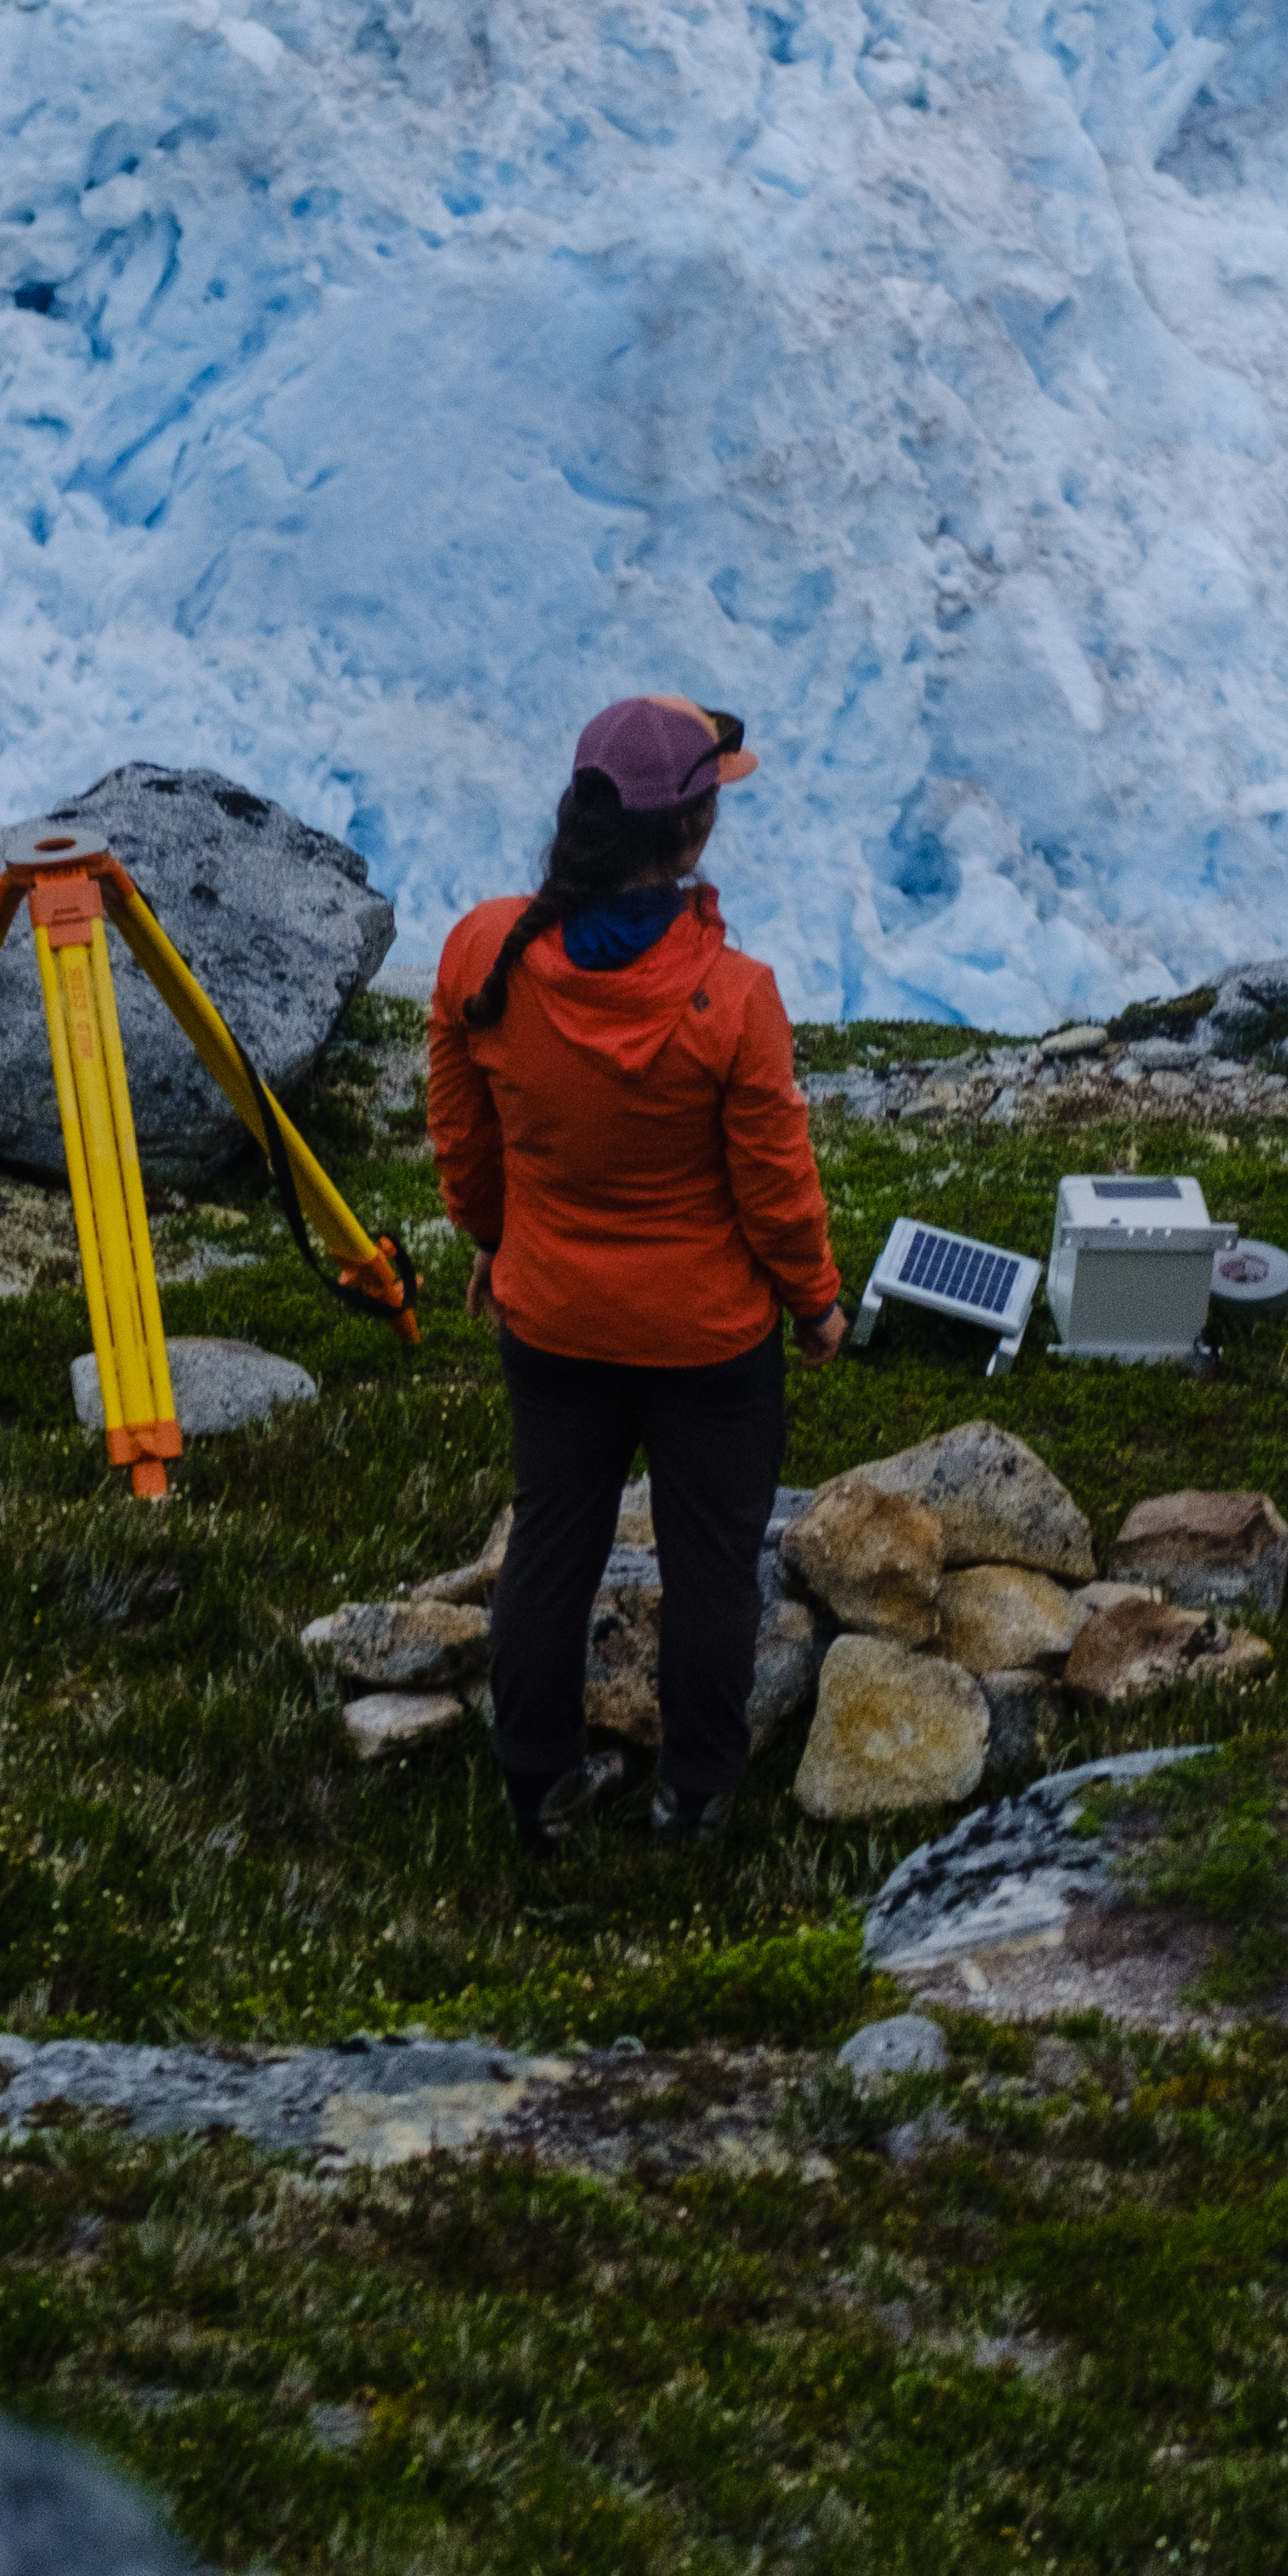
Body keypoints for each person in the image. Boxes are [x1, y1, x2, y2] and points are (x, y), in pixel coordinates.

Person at [428, 696, 846, 1851]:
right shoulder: (734, 999)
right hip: (708, 1341)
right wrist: (814, 1299)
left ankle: (536, 1786)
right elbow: (773, 1183)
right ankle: (697, 1795)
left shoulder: (484, 950)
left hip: (553, 1315)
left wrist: (489, 1238)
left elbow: (464, 1133)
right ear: (694, 834)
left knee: (552, 1543)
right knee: (714, 1567)